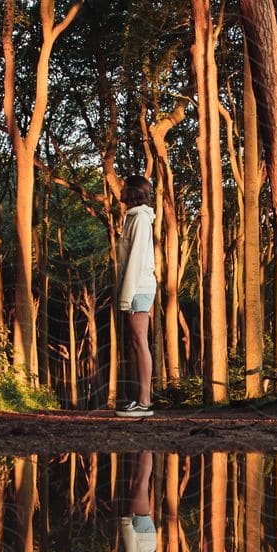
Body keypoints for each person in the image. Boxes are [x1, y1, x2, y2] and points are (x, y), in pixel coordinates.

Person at [114, 175, 157, 416]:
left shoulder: (140, 219)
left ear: (132, 191)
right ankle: (141, 400)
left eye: (124, 187)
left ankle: (145, 402)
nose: (120, 190)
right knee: (136, 342)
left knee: (140, 341)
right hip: (135, 286)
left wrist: (126, 294)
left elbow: (136, 259)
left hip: (139, 287)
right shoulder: (133, 217)